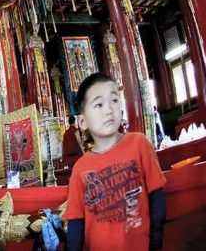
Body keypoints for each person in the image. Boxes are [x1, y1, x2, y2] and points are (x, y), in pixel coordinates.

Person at [65, 73, 166, 250]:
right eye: (98, 104)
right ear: (82, 121)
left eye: (114, 100)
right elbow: (76, 224)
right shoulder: (80, 168)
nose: (109, 110)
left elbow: (157, 199)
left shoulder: (139, 144)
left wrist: (155, 245)